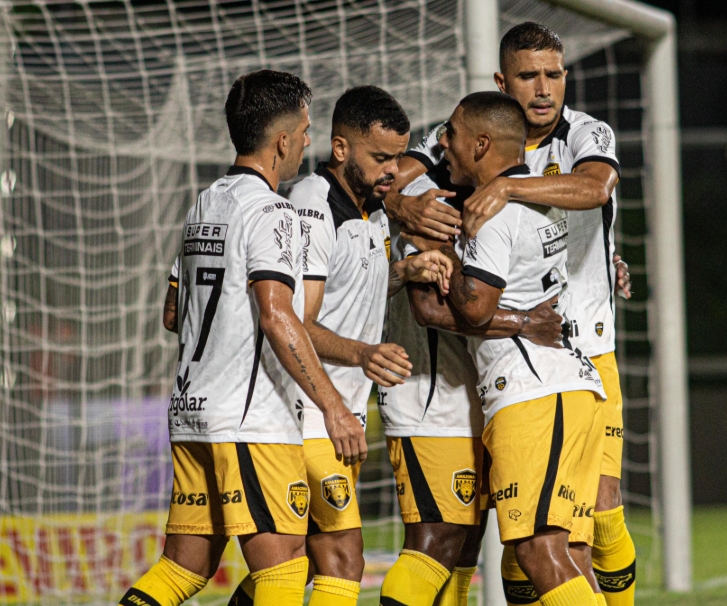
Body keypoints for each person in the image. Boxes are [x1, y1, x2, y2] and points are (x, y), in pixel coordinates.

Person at [386, 22, 637, 606]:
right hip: (504, 364)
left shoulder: (585, 133)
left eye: (554, 73)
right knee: (521, 538)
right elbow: (390, 178)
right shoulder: (470, 132)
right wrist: (404, 205)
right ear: (503, 80)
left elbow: (596, 189)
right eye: (529, 75)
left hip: (578, 353)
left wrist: (509, 189)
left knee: (590, 522)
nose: (544, 88)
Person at [117, 70, 367, 606]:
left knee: (182, 570)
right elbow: (278, 316)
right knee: (282, 571)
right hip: (251, 420)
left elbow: (171, 312)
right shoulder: (271, 211)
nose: (306, 140)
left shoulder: (205, 203)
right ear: (281, 140)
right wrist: (333, 406)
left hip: (192, 413)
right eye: (303, 130)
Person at [226, 86, 453, 606]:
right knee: (343, 557)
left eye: (398, 156)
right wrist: (364, 355)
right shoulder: (312, 204)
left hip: (337, 410)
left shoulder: (367, 210)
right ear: (342, 148)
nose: (392, 170)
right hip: (307, 412)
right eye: (380, 157)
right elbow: (299, 321)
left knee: (297, 562)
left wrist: (401, 273)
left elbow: (342, 292)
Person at [418, 90, 606, 606]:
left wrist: (439, 255)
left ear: (481, 143)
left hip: (532, 394)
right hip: (572, 388)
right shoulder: (538, 195)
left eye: (451, 133)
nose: (443, 144)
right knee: (569, 554)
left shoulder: (490, 213)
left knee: (536, 550)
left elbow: (475, 308)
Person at [377, 159, 565, 606]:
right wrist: (523, 323)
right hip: (426, 403)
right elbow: (430, 309)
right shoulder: (427, 207)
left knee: (465, 547)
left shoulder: (484, 204)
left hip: (469, 405)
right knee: (435, 543)